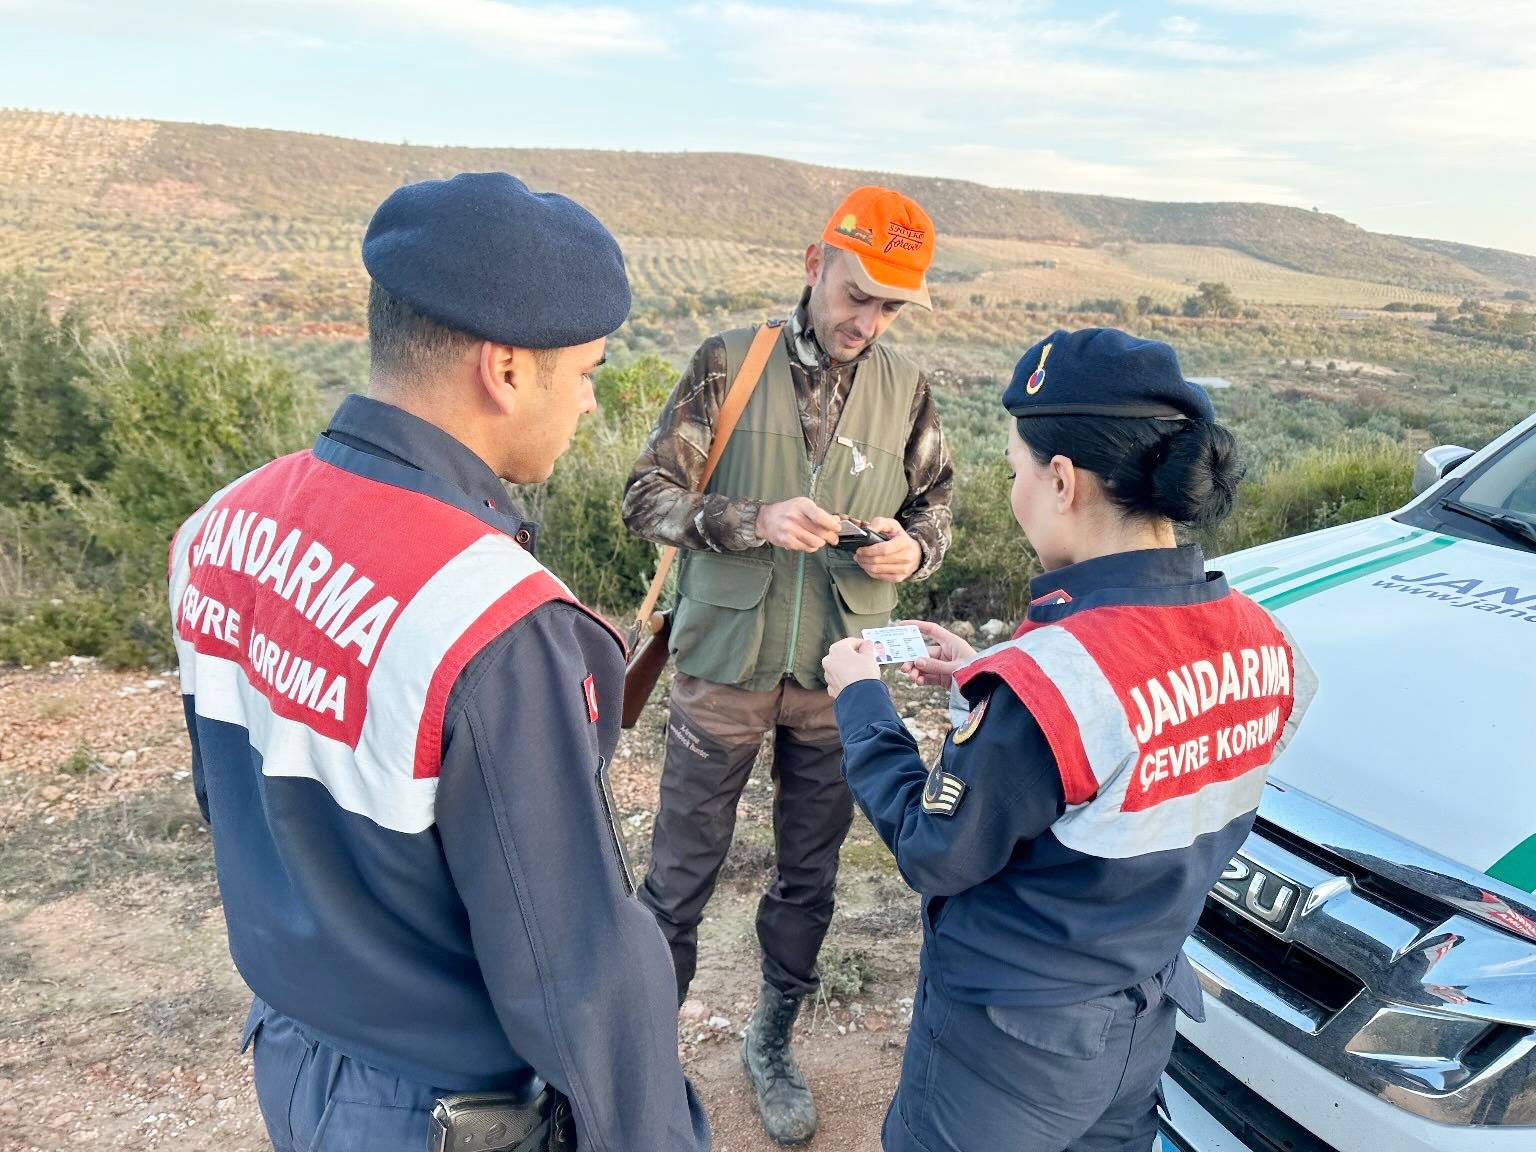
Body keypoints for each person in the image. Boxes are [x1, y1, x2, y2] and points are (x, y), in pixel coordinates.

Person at [169, 172, 709, 1152]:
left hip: (292, 1060)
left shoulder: (219, 525)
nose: (591, 402)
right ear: (506, 371)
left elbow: (237, 803)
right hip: (434, 1116)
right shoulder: (491, 625)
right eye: (585, 371)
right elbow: (575, 975)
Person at [822, 327, 1317, 1152]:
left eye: (1015, 471)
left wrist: (861, 700)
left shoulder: (1057, 678)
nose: (1015, 491)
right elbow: (1141, 754)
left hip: (1011, 1049)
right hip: (1141, 1021)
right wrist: (998, 679)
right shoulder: (1272, 647)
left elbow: (935, 851)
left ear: (1061, 480)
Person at [622, 186, 954, 1144]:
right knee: (681, 873)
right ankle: (644, 1054)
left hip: (838, 673)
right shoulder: (729, 361)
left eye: (889, 307)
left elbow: (935, 508)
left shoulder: (908, 388)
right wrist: (748, 520)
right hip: (722, 663)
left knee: (809, 874)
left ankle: (770, 1038)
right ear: (815, 264)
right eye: (857, 295)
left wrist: (911, 552)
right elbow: (646, 499)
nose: (868, 321)